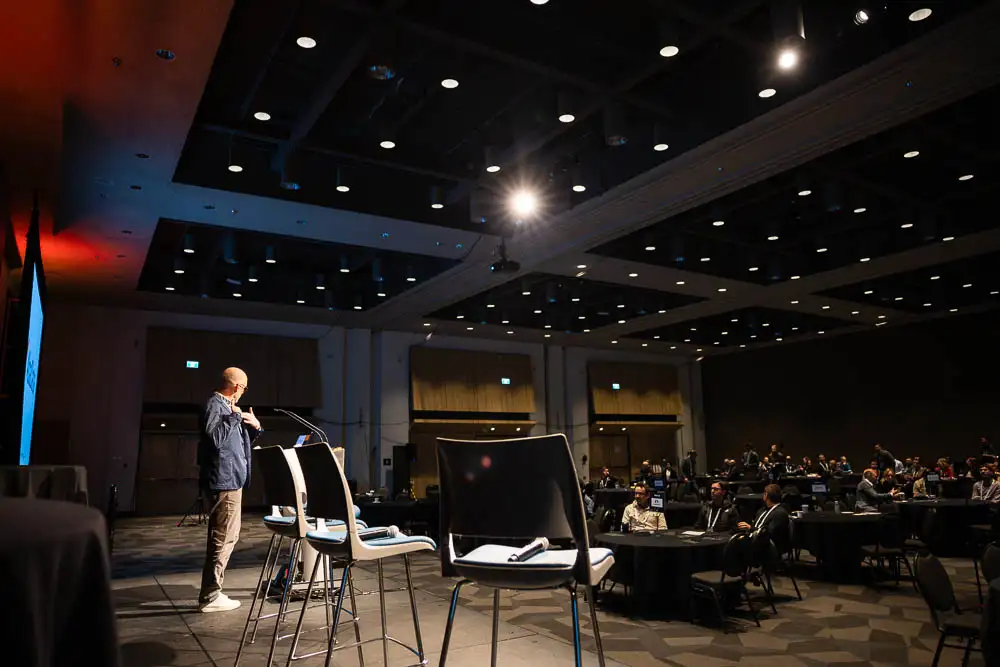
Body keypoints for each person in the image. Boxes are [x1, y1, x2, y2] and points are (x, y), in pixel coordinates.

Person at [197, 367, 262, 612]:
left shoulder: (228, 409)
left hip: (232, 480)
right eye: (244, 388)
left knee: (228, 536)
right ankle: (211, 595)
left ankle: (213, 591)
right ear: (236, 387)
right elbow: (215, 439)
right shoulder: (216, 404)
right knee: (222, 537)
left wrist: (254, 426)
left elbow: (235, 442)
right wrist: (235, 416)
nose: (244, 393)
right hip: (223, 482)